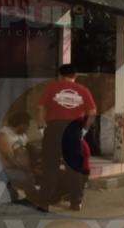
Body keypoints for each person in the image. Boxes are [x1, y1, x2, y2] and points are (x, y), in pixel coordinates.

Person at [36, 64, 97, 212]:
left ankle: (44, 202)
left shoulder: (51, 88)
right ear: (75, 76)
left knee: (50, 166)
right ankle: (75, 202)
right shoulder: (83, 91)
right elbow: (92, 112)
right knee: (73, 167)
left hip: (54, 128)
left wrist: (41, 127)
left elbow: (40, 108)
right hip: (73, 130)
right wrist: (84, 130)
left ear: (59, 75)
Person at [0, 112, 39, 205]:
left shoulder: (22, 135)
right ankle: (34, 200)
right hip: (5, 171)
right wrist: (28, 169)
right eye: (27, 125)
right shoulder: (4, 135)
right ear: (21, 124)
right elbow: (10, 158)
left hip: (20, 169)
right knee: (27, 178)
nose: (29, 127)